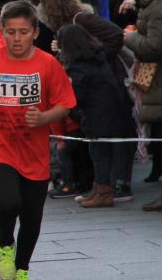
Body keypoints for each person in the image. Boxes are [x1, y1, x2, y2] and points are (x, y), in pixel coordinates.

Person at [0, 0, 76, 280]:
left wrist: (44, 117)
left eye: (23, 32)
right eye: (10, 32)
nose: (16, 38)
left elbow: (65, 103)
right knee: (9, 202)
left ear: (35, 32)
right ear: (2, 32)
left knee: (33, 216)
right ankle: (4, 246)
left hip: (34, 151)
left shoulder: (48, 64)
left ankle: (22, 272)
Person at [56, 24, 134, 208]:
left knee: (99, 153)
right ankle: (99, 188)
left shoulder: (79, 67)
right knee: (101, 152)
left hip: (98, 114)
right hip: (112, 111)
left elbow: (76, 96)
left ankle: (103, 191)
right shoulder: (97, 57)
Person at [123, 0, 162, 212]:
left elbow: (153, 46)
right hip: (157, 80)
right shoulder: (154, 2)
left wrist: (129, 37)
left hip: (160, 79)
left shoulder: (160, 6)